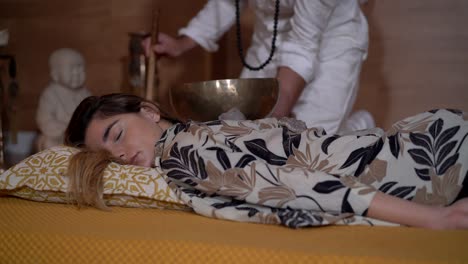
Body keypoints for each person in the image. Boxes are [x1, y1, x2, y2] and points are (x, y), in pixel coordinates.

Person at [64, 93, 468, 229]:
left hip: (420, 155)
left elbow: (298, 182)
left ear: (149, 111)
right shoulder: (182, 155)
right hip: (424, 158)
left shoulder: (186, 143)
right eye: (106, 156)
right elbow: (293, 187)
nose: (117, 154)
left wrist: (435, 218)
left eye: (116, 134)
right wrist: (432, 219)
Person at [147, 0, 374, 134]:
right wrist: (183, 43)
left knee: (314, 144)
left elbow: (303, 43)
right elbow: (227, 2)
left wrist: (276, 111)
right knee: (245, 132)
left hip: (329, 43)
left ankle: (361, 130)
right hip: (267, 41)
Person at [36, 48, 92, 150]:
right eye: (72, 68)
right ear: (55, 73)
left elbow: (93, 115)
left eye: (80, 68)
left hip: (80, 136)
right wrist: (65, 128)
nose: (76, 73)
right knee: (48, 142)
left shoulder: (85, 93)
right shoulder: (50, 94)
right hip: (59, 136)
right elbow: (44, 120)